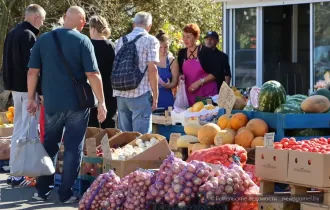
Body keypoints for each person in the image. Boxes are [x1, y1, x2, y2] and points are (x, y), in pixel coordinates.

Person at [27, 6, 107, 203]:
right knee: (73, 147)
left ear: (64, 18)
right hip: (77, 104)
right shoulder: (83, 40)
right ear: (82, 23)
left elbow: (32, 72)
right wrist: (102, 102)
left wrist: (31, 98)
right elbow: (93, 74)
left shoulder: (43, 39)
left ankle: (42, 190)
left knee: (49, 145)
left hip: (52, 102)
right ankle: (66, 194)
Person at [2, 4, 46, 187]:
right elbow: (32, 68)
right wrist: (38, 92)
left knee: (19, 129)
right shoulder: (29, 36)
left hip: (14, 88)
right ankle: (20, 174)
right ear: (36, 17)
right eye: (42, 20)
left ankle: (16, 172)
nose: (42, 24)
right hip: (26, 89)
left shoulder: (12, 33)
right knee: (27, 130)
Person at [113, 12, 159, 134]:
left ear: (134, 24)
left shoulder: (120, 41)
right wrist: (155, 94)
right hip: (140, 93)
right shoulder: (150, 40)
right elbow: (152, 68)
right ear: (149, 26)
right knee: (140, 140)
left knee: (124, 139)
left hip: (121, 94)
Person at [177, 24, 218, 106]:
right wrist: (181, 76)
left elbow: (216, 73)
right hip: (189, 95)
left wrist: (199, 82)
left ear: (196, 37)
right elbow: (180, 71)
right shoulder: (182, 53)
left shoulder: (206, 52)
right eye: (184, 36)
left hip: (206, 96)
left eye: (188, 37)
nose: (185, 39)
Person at [88, 15, 117, 129]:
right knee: (109, 125)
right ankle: (110, 146)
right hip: (109, 90)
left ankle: (91, 147)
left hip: (91, 90)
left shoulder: (87, 45)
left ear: (93, 28)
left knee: (91, 127)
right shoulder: (112, 46)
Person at [155, 30, 179, 109]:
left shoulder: (172, 60)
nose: (163, 50)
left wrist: (169, 85)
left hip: (166, 98)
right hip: (151, 98)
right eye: (160, 47)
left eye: (166, 47)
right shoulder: (151, 59)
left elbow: (175, 81)